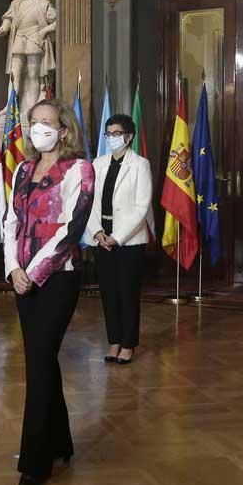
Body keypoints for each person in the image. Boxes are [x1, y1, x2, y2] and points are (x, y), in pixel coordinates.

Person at [3, 99, 95, 485]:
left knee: (39, 364)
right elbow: (11, 221)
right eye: (33, 121)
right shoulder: (23, 168)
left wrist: (34, 272)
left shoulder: (79, 170)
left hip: (57, 278)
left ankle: (36, 460)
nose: (38, 128)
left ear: (63, 130)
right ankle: (61, 442)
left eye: (46, 122)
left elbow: (70, 229)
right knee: (41, 361)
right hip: (22, 278)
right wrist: (13, 270)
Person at [84, 114, 153, 366]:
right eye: (108, 134)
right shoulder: (97, 164)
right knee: (109, 294)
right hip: (101, 238)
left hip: (128, 241)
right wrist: (97, 232)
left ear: (129, 136)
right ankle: (114, 340)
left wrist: (117, 237)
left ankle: (128, 344)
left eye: (117, 134)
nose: (112, 138)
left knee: (127, 293)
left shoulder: (140, 164)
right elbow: (88, 202)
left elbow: (141, 206)